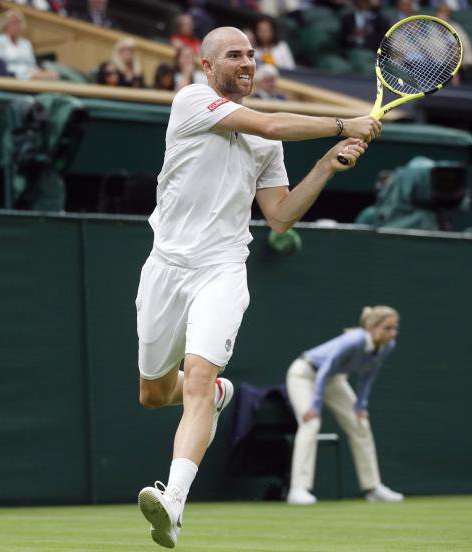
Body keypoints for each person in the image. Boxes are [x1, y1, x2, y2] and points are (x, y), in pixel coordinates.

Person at [134, 26, 381, 549]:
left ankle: (173, 500)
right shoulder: (192, 100)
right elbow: (270, 121)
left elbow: (282, 215)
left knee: (198, 379)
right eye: (234, 55)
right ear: (207, 66)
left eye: (251, 54)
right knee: (155, 394)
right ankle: (220, 396)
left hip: (223, 268)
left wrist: (325, 166)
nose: (246, 62)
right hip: (165, 266)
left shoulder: (267, 143)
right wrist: (345, 123)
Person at [285, 306, 403, 506]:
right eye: (387, 328)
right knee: (311, 424)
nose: (392, 333)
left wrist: (361, 405)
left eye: (395, 328)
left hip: (334, 379)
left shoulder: (387, 346)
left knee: (360, 424)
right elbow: (324, 370)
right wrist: (315, 406)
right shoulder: (354, 340)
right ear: (372, 328)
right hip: (305, 374)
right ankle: (298, 489)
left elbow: (368, 376)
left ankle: (373, 488)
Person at [0, 10, 57, 80]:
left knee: (53, 74)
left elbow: (32, 64)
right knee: (37, 77)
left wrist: (38, 71)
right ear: (6, 25)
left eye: (18, 23)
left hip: (29, 72)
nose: (16, 26)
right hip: (10, 73)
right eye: (13, 23)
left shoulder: (26, 43)